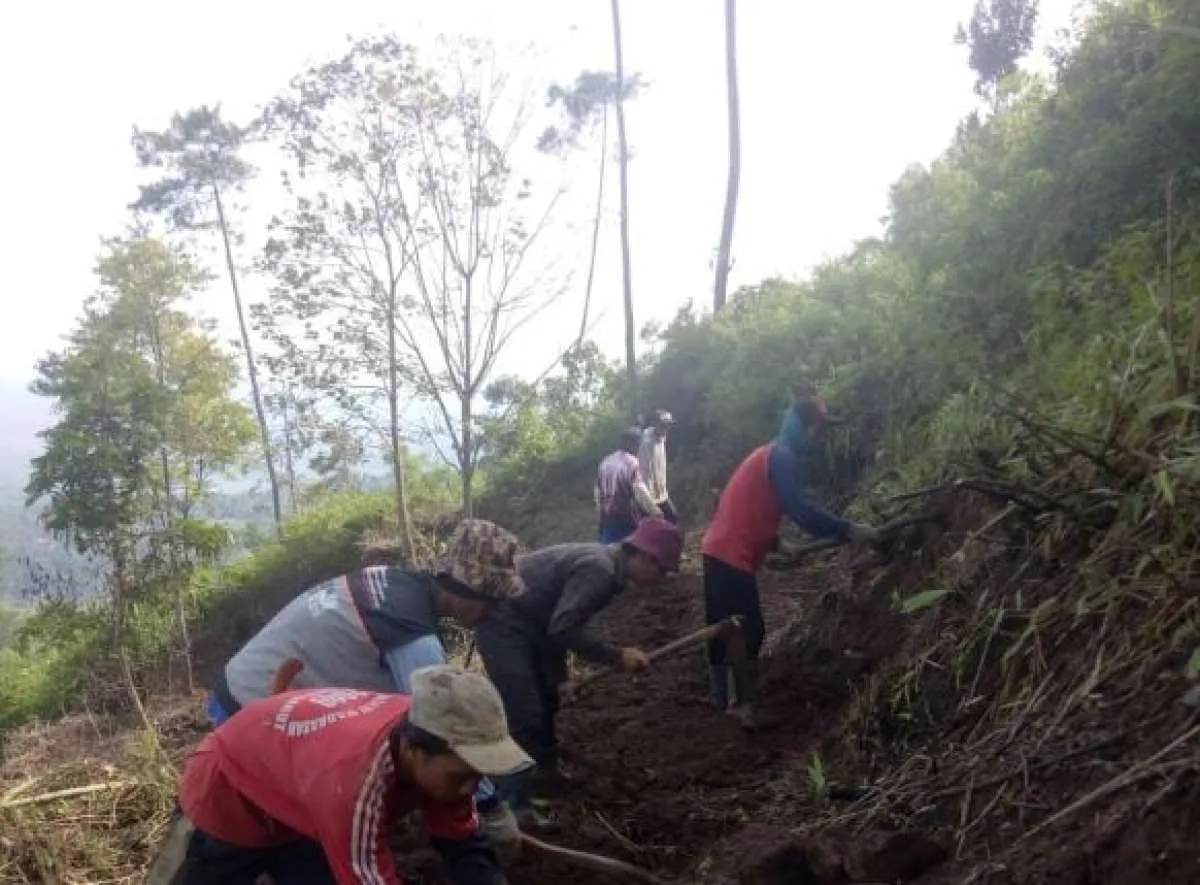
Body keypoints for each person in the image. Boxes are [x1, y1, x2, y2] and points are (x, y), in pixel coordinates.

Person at [205, 518, 526, 859]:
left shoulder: (396, 587)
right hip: (250, 710)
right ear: (463, 589)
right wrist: (490, 809)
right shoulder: (413, 635)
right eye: (492, 601)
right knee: (298, 839)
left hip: (241, 687)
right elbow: (443, 733)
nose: (494, 612)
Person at [172, 665, 532, 885]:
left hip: (306, 794)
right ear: (413, 750)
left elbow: (462, 842)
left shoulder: (438, 731)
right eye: (459, 777)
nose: (470, 788)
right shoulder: (357, 787)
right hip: (234, 792)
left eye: (477, 774)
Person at [474, 518, 684, 830]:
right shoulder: (599, 570)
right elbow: (562, 628)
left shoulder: (610, 568)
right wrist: (616, 656)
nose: (661, 577)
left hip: (532, 623)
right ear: (642, 555)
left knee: (548, 698)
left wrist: (558, 677)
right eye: (662, 569)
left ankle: (545, 774)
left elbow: (557, 620)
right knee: (525, 714)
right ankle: (509, 807)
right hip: (501, 619)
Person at [702, 397, 880, 727]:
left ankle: (720, 698)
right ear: (802, 427)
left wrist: (779, 544)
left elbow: (748, 508)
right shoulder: (781, 457)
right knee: (747, 630)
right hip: (730, 554)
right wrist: (849, 529)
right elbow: (800, 510)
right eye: (819, 429)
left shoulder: (767, 455)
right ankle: (740, 705)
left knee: (722, 627)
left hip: (715, 550)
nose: (822, 436)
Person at [594, 426, 661, 543]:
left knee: (609, 554)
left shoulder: (605, 462)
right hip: (626, 518)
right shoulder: (632, 462)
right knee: (628, 554)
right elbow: (639, 490)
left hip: (608, 521)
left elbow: (598, 493)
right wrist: (655, 511)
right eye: (637, 444)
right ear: (633, 443)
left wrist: (601, 516)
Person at [637, 410, 678, 525]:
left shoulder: (662, 438)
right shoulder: (646, 443)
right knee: (651, 528)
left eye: (668, 425)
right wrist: (651, 504)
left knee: (673, 520)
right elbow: (645, 473)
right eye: (663, 425)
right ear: (656, 423)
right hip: (649, 496)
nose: (666, 428)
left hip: (661, 494)